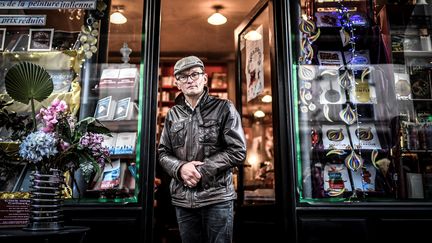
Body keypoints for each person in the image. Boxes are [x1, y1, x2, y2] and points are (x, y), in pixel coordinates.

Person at [158, 55, 246, 243]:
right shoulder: (173, 114)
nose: (190, 79)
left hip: (217, 198)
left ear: (204, 79)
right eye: (183, 76)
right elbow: (163, 152)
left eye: (195, 74)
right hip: (183, 199)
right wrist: (180, 168)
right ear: (177, 84)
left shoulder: (224, 108)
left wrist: (200, 170)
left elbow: (237, 150)